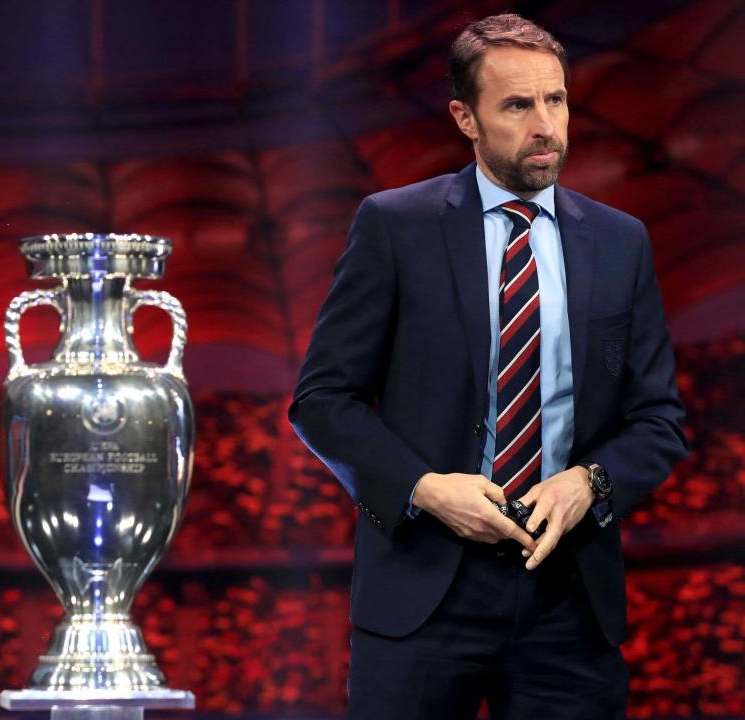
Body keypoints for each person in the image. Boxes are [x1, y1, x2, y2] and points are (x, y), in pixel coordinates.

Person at [287, 13, 688, 720]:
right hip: (423, 593)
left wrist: (588, 485)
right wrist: (427, 488)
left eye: (556, 100)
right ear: (464, 118)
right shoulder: (395, 226)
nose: (546, 125)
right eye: (517, 105)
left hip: (569, 601)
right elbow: (322, 401)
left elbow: (659, 420)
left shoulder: (622, 243)